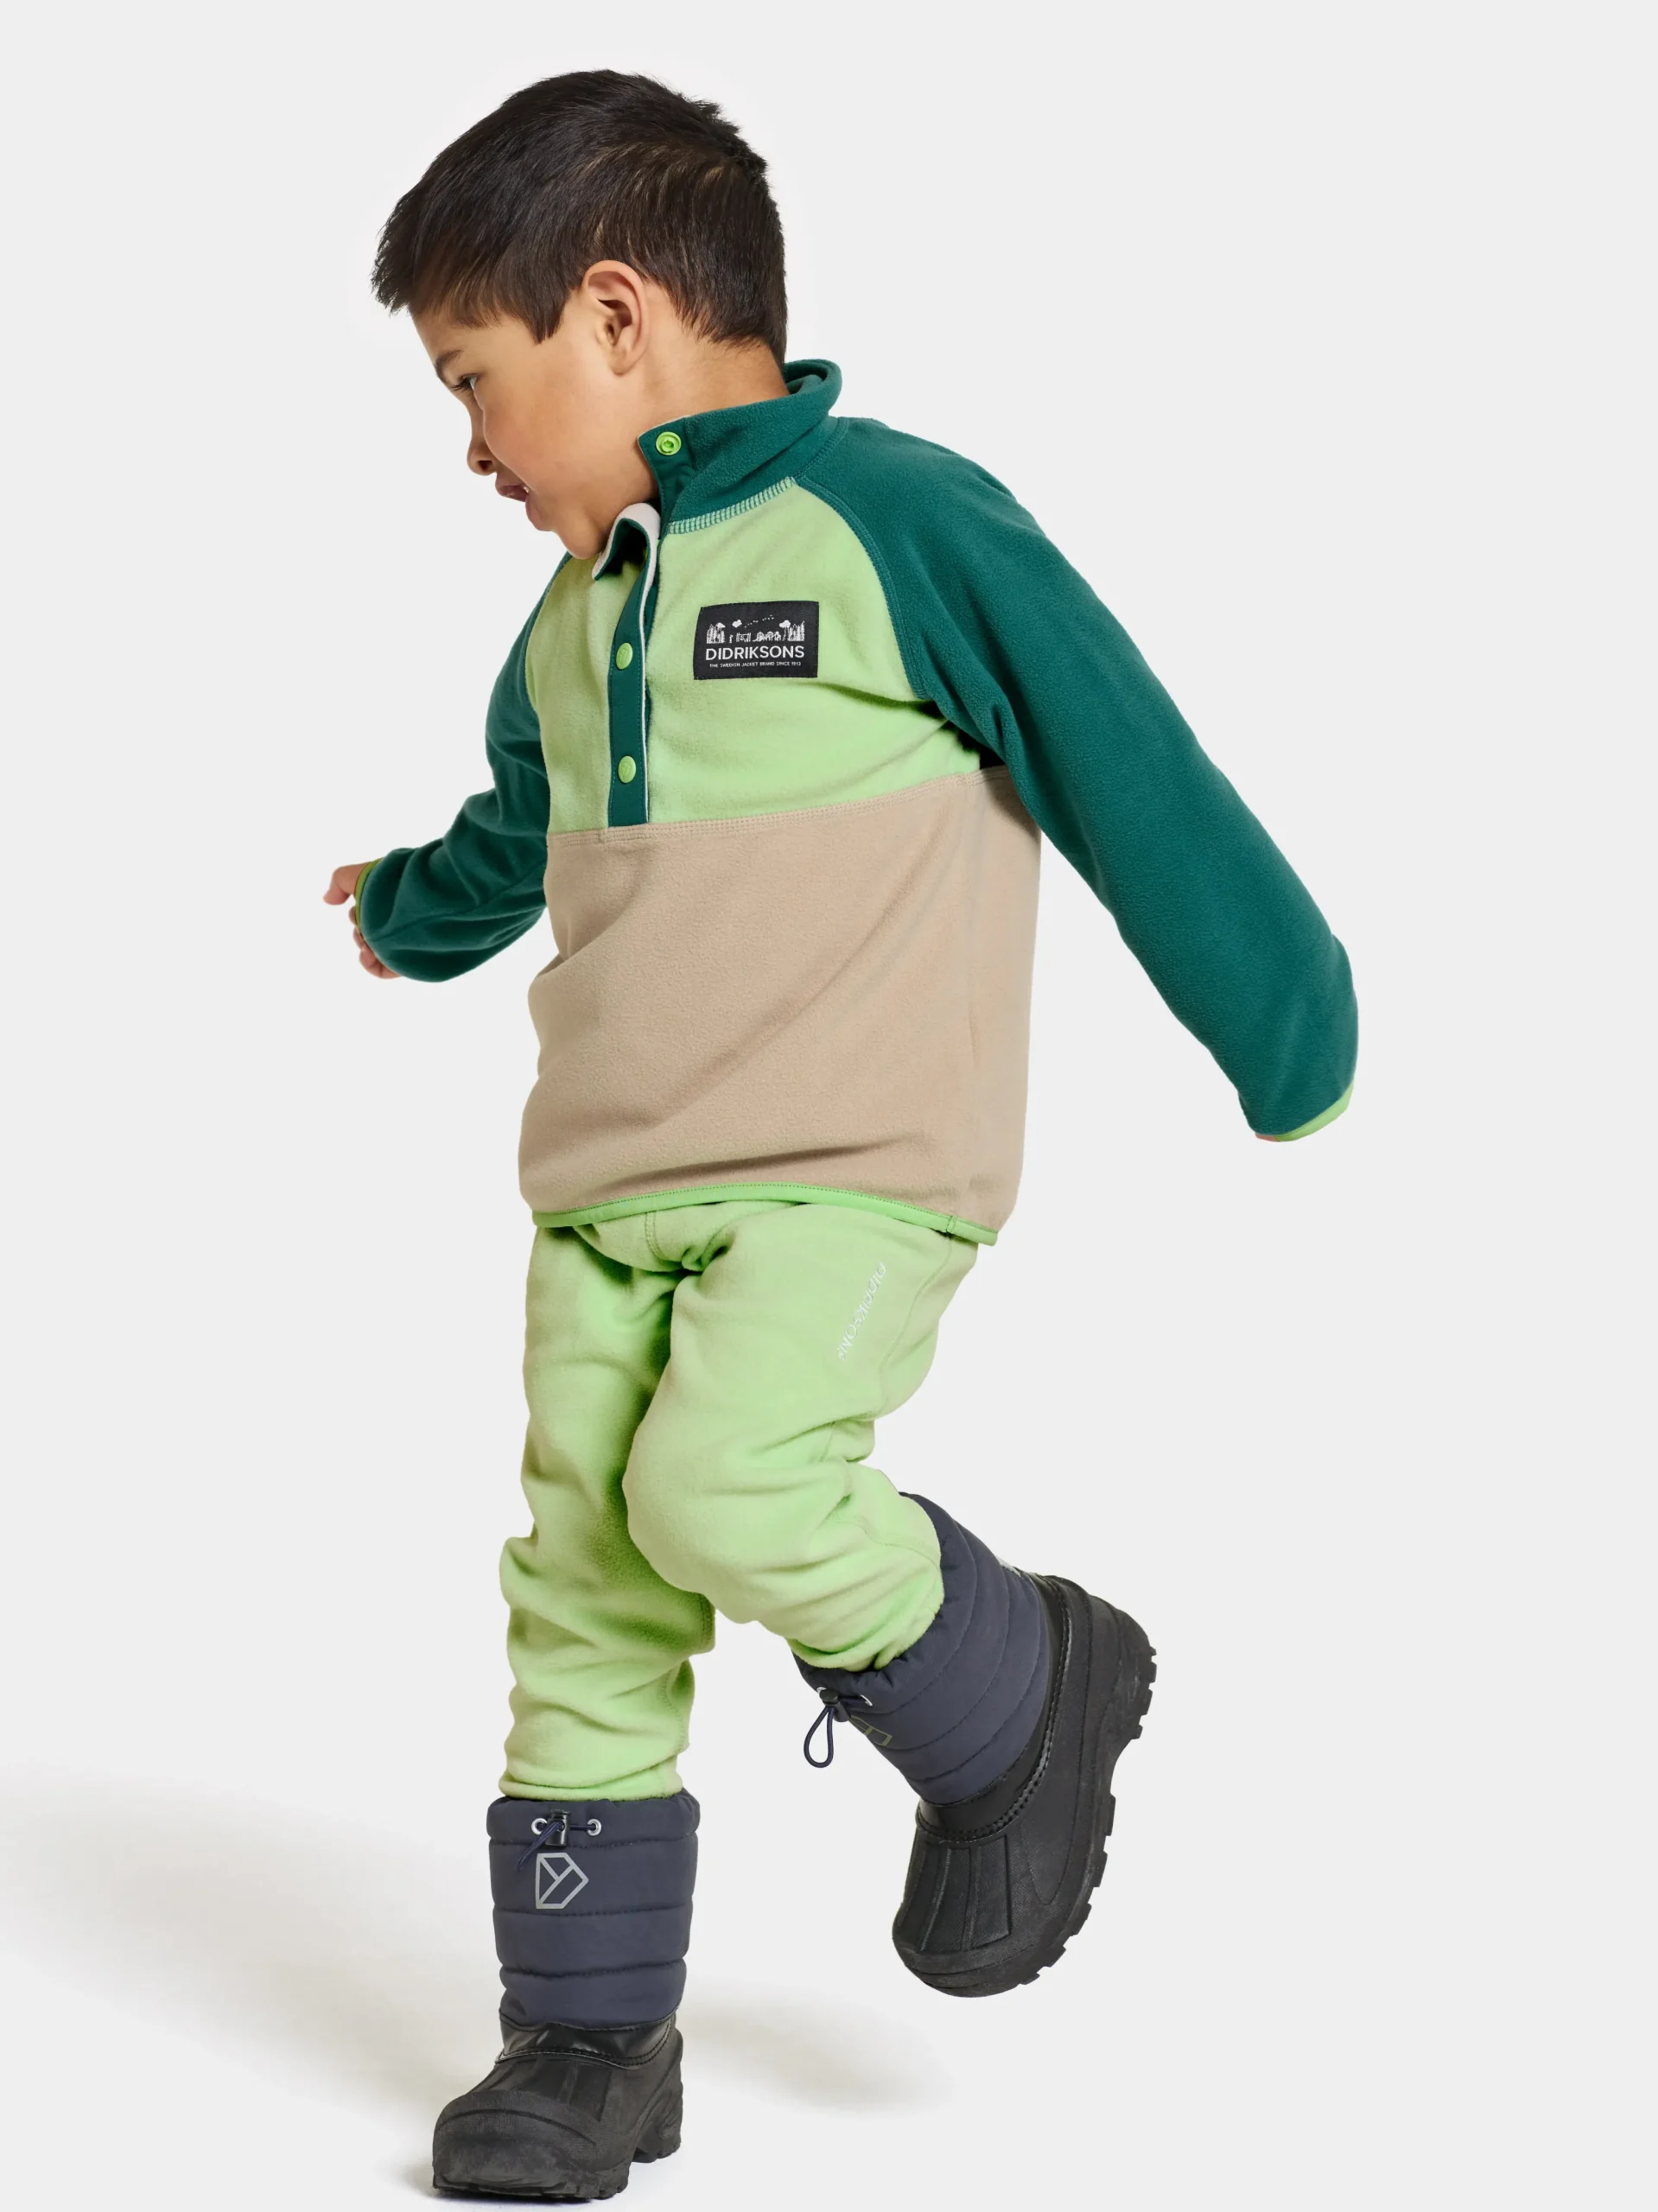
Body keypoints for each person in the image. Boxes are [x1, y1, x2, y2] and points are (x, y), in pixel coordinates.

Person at [327, 67, 1356, 2202]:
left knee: (724, 1478)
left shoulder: (897, 522)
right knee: (584, 1583)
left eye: (475, 381)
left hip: (847, 1165)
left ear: (618, 317)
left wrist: (1282, 1019)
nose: (469, 449)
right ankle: (587, 2038)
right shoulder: (569, 621)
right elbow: (522, 829)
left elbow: (1121, 763)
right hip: (604, 1188)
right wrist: (412, 908)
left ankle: (1019, 1683)